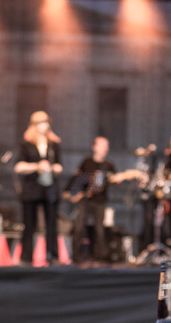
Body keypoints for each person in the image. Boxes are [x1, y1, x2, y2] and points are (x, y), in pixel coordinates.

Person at [65, 136, 145, 264]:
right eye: (102, 145)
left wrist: (120, 178)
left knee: (99, 229)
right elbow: (77, 180)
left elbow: (115, 180)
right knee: (79, 227)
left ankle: (99, 256)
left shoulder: (108, 164)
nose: (105, 148)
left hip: (100, 201)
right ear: (94, 147)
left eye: (106, 146)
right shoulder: (86, 162)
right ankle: (77, 255)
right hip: (85, 200)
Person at [14, 110, 61, 264]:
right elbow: (18, 166)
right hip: (32, 187)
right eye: (42, 123)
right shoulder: (26, 144)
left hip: (49, 188)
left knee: (51, 223)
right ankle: (26, 256)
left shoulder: (53, 145)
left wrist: (52, 168)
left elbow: (59, 165)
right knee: (29, 224)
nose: (45, 125)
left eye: (46, 122)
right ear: (34, 125)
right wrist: (37, 166)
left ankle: (53, 255)